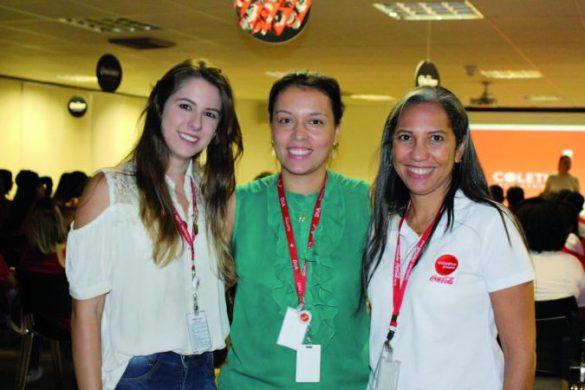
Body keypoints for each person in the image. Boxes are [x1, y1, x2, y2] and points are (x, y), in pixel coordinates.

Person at [66, 60, 243, 390]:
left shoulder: (212, 196)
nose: (195, 122)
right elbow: (86, 314)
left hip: (202, 368)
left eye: (210, 114)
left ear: (218, 127)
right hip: (138, 373)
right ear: (160, 106)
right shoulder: (110, 191)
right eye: (185, 106)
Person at [365, 86, 535, 390]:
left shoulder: (488, 224)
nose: (418, 153)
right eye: (406, 138)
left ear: (459, 149)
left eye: (436, 138)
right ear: (391, 148)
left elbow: (520, 352)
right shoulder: (382, 226)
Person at [219, 72, 370, 389]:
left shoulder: (365, 204)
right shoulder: (238, 205)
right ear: (272, 129)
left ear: (337, 131)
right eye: (286, 120)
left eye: (315, 122)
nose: (299, 135)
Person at [515, 197, 585, 304]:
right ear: (560, 229)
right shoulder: (573, 263)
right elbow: (581, 306)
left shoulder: (511, 262)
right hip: (565, 319)